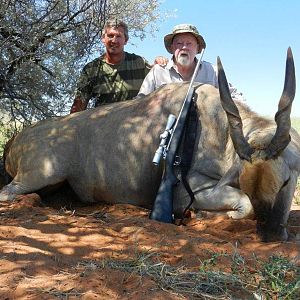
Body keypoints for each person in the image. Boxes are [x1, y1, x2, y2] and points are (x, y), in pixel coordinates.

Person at [70, 19, 165, 113]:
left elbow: (159, 81)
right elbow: (78, 107)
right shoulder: (91, 69)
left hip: (135, 123)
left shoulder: (139, 62)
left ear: (126, 40)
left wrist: (158, 63)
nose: (114, 41)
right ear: (103, 38)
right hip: (103, 125)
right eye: (110, 36)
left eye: (118, 36)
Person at [137, 24, 244, 100]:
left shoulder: (213, 71)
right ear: (172, 47)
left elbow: (236, 97)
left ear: (198, 48)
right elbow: (139, 102)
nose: (184, 47)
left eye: (189, 43)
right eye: (179, 43)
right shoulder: (158, 71)